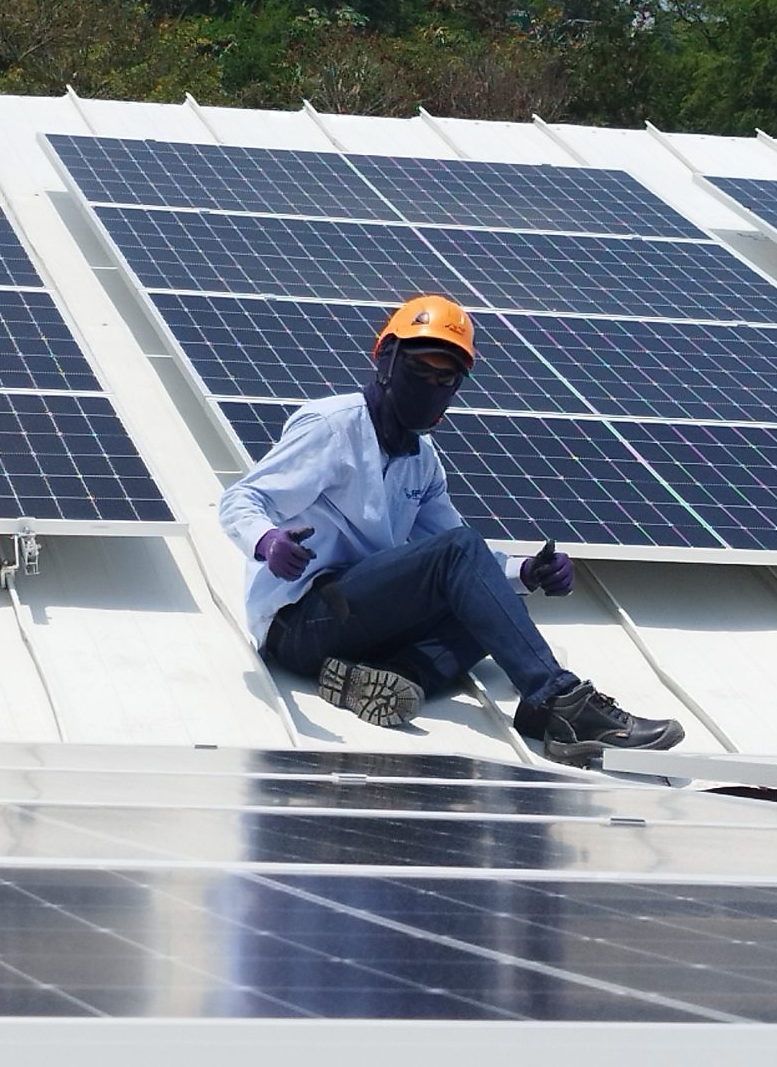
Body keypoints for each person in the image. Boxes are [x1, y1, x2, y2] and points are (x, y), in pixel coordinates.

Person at [219, 293, 684, 762]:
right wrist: (267, 541)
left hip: (357, 624)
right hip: (299, 621)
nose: (432, 385)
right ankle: (559, 701)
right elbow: (242, 498)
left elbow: (469, 568)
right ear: (385, 358)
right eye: (421, 369)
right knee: (463, 558)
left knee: (490, 604)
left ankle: (390, 678)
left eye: (447, 378)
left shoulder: (421, 461)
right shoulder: (332, 426)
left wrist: (527, 573)